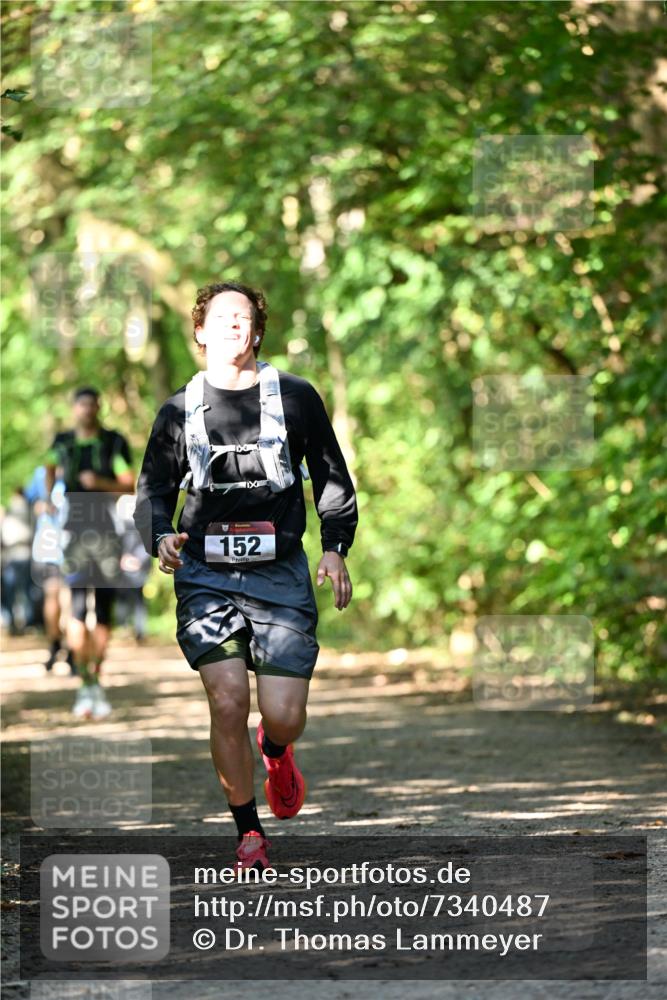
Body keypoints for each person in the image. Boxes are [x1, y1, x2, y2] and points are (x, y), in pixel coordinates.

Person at [134, 281, 358, 872]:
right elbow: (153, 491)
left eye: (245, 317)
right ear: (200, 331)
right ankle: (248, 832)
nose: (234, 324)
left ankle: (277, 751)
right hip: (206, 572)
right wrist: (161, 536)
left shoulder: (296, 397)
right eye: (221, 316)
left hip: (279, 571)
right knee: (228, 699)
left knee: (283, 712)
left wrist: (335, 547)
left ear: (257, 331)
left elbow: (329, 475)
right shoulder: (178, 413)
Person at [45, 387, 134, 719]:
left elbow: (129, 483)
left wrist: (99, 482)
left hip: (108, 533)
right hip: (74, 532)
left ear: (99, 407)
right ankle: (84, 682)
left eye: (93, 404)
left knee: (106, 608)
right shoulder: (63, 442)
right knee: (78, 608)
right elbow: (49, 467)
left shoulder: (113, 442)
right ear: (74, 408)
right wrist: (48, 499)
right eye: (81, 404)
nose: (87, 410)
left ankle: (95, 677)